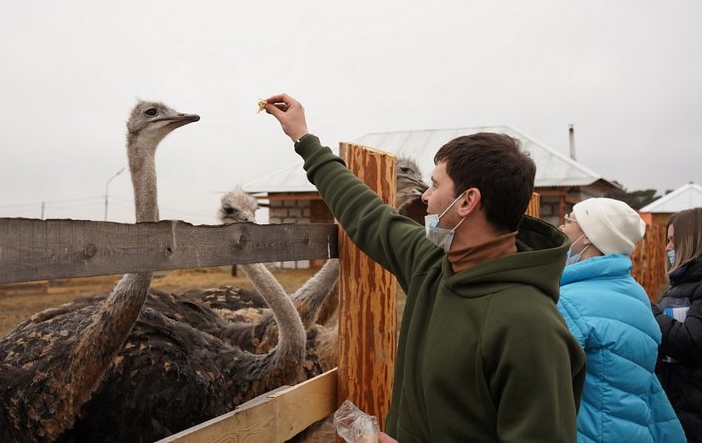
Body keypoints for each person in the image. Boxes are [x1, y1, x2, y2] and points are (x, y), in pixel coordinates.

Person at [263, 94, 586, 442]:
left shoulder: (530, 328)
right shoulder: (434, 264)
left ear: (467, 201)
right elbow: (367, 213)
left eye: (435, 184)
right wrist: (304, 139)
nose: (425, 197)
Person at [558, 198, 685, 442]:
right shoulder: (636, 293)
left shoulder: (571, 300)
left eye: (569, 220)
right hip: (634, 431)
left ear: (588, 237)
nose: (562, 228)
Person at [653, 207, 702, 441]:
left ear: (692, 241)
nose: (667, 248)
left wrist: (651, 314)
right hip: (682, 406)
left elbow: (692, 340)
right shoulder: (681, 284)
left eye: (673, 240)